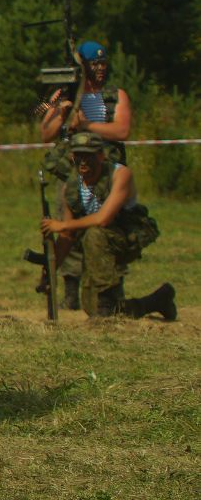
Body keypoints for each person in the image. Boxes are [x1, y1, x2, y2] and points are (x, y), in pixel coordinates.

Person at [34, 40, 132, 311]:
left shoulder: (114, 96)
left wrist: (86, 124)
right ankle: (69, 291)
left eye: (103, 62)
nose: (100, 68)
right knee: (67, 232)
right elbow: (46, 133)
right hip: (71, 173)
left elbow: (122, 131)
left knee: (106, 231)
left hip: (105, 176)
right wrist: (62, 112)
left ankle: (111, 293)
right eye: (94, 63)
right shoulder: (63, 95)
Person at [43, 132, 175, 321]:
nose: (83, 161)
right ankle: (157, 301)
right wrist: (49, 271)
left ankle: (106, 301)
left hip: (126, 239)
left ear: (101, 156)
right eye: (78, 155)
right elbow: (67, 237)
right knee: (92, 308)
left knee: (95, 234)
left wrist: (62, 225)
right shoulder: (70, 188)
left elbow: (104, 218)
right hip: (96, 248)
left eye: (88, 155)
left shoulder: (120, 174)